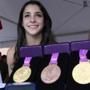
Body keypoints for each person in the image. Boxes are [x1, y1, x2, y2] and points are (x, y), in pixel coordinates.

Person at [7, 0, 56, 80]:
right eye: (27, 15)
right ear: (22, 22)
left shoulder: (57, 51)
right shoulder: (12, 53)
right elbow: (12, 86)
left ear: (44, 21)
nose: (32, 20)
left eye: (38, 15)